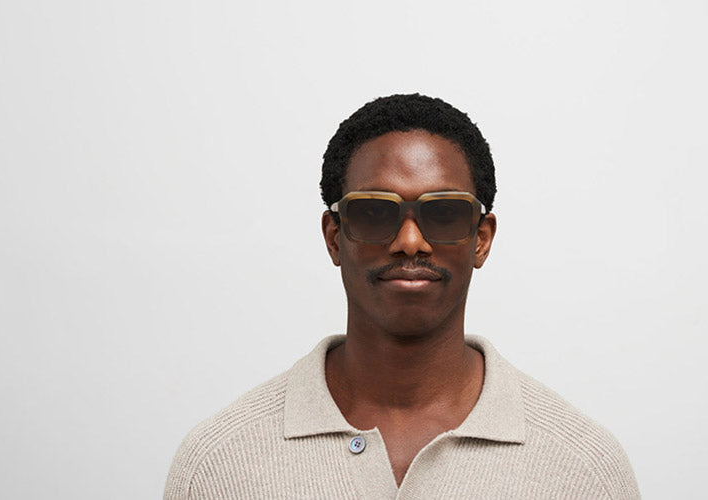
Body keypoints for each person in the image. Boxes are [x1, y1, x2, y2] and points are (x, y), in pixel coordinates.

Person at [164, 94, 640, 499]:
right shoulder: (219, 464)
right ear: (334, 237)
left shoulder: (583, 470)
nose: (410, 241)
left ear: (481, 239)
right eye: (374, 212)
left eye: (444, 213)